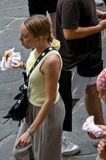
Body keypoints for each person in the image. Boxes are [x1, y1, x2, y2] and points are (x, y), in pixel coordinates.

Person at [57, 0, 106, 156]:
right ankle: (55, 139)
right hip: (76, 59)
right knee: (69, 100)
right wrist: (98, 28)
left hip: (89, 55)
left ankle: (101, 132)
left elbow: (86, 8)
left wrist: (99, 14)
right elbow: (69, 33)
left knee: (93, 91)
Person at [12, 15, 66, 160]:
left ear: (39, 38)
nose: (20, 39)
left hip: (47, 113)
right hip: (32, 108)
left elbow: (50, 99)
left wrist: (30, 132)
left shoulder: (51, 60)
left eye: (25, 36)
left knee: (45, 156)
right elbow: (39, 72)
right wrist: (23, 65)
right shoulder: (36, 50)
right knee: (20, 152)